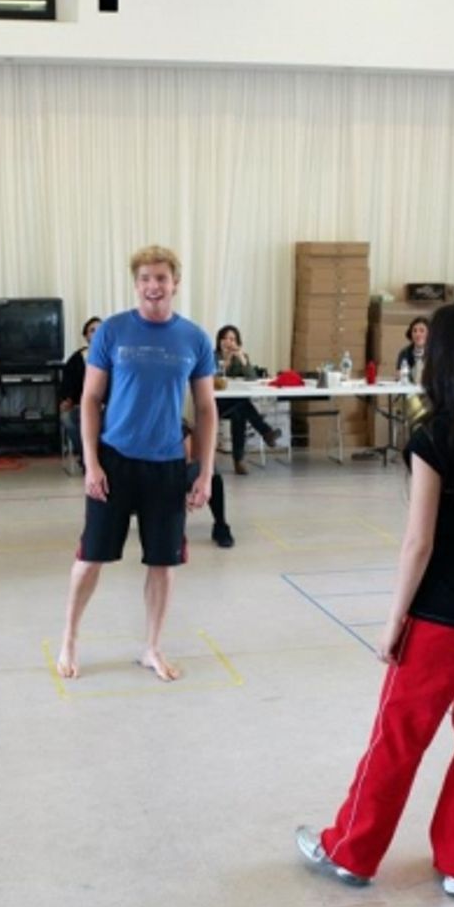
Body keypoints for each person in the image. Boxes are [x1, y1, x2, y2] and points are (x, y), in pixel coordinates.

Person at [295, 300, 454, 898]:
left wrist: (393, 624)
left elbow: (418, 542)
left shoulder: (434, 436)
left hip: (447, 618)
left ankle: (352, 851)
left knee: (400, 736)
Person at [55, 245, 217, 682]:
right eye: (146, 278)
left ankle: (152, 647)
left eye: (162, 278)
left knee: (162, 562)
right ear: (136, 283)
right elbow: (89, 399)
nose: (153, 286)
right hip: (114, 462)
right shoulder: (112, 332)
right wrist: (92, 463)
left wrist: (203, 471)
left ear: (175, 283)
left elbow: (205, 410)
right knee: (91, 557)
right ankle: (69, 638)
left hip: (166, 467)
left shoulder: (195, 339)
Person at [214, 324, 280, 474]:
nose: (228, 342)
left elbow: (252, 378)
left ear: (237, 342)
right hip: (217, 404)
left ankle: (239, 461)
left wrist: (243, 359)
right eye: (224, 338)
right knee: (242, 404)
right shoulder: (213, 356)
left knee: (240, 412)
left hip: (235, 403)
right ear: (219, 341)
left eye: (232, 339)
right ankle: (265, 432)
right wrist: (227, 361)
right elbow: (214, 380)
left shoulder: (241, 357)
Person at [183, 419, 234, 548]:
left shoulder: (180, 425)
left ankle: (220, 525)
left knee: (212, 473)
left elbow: (188, 459)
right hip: (148, 473)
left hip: (174, 470)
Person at [59, 315, 102, 463]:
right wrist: (68, 400)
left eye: (100, 330)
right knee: (67, 417)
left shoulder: (115, 356)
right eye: (92, 330)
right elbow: (67, 387)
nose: (97, 333)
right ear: (86, 336)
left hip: (110, 407)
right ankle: (88, 457)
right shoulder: (77, 359)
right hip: (82, 406)